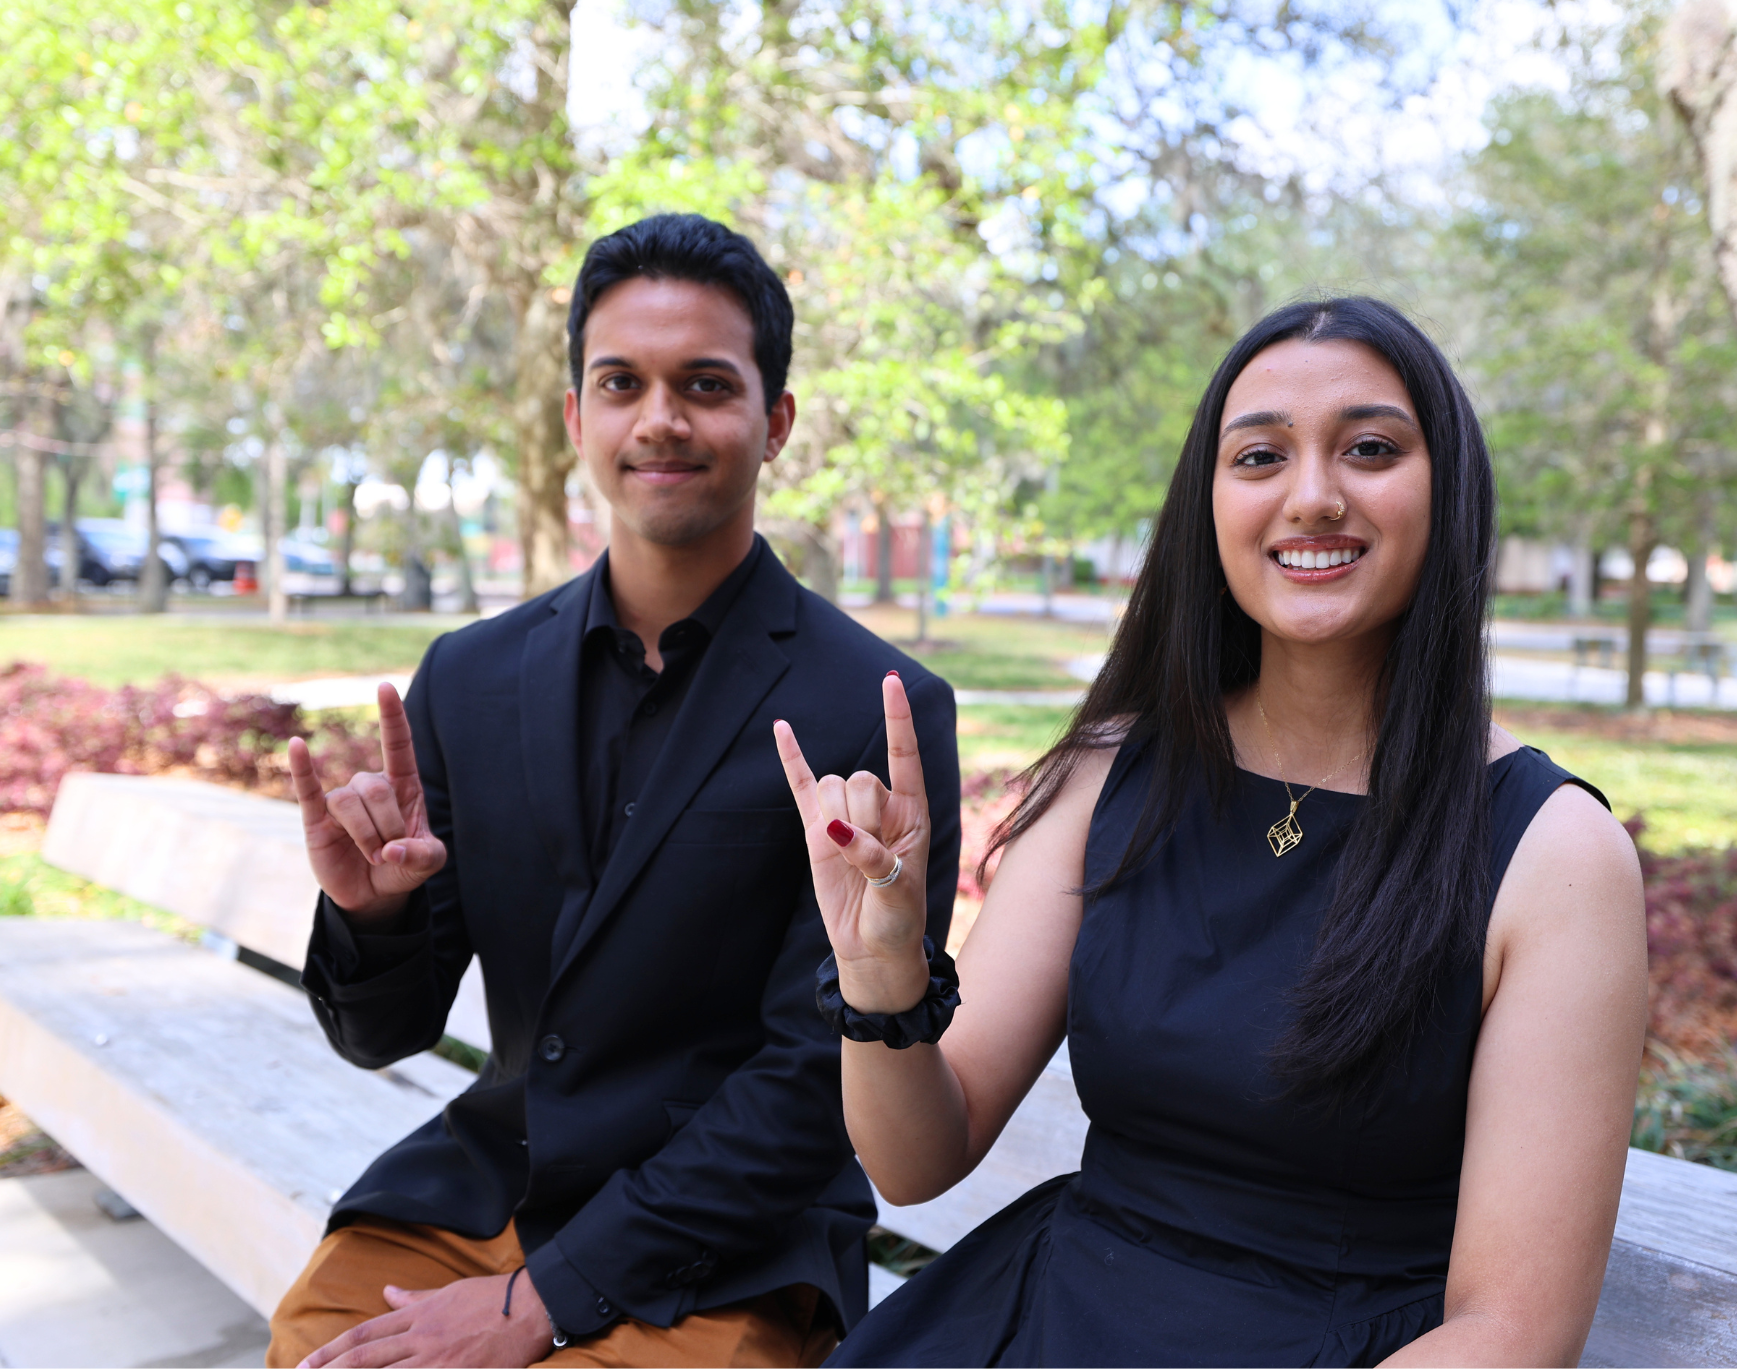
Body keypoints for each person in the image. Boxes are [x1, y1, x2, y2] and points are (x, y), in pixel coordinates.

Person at [775, 297, 1648, 1367]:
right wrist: (879, 974)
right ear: (1209, 504)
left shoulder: (1552, 855)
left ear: (1446, 489)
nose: (1313, 495)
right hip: (1050, 1322)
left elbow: (1511, 1331)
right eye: (1259, 456)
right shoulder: (1110, 775)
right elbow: (918, 1158)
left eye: (1369, 448)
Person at [268, 213, 961, 1369]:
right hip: (487, 1190)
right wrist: (374, 917)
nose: (660, 419)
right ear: (575, 416)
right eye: (620, 381)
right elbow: (379, 1033)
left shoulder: (877, 705)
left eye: (703, 383)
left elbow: (808, 1081)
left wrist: (546, 1300)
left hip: (729, 1239)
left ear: (774, 420)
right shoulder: (469, 676)